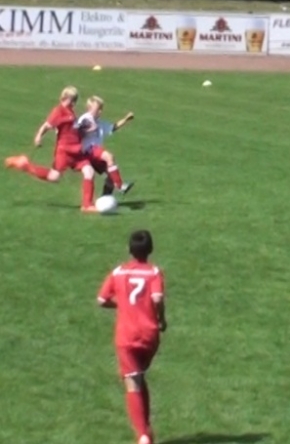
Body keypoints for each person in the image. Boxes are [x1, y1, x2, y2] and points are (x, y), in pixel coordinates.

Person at [97, 230, 166, 444]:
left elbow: (101, 300)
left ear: (129, 249)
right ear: (150, 249)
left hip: (126, 335)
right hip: (149, 334)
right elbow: (157, 297)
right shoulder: (154, 272)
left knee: (132, 382)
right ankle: (147, 428)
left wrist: (121, 304)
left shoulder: (118, 272)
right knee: (139, 376)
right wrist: (161, 318)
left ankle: (142, 436)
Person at [4, 86, 99, 212]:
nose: (74, 103)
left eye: (75, 100)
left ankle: (86, 205)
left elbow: (73, 131)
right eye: (72, 100)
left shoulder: (70, 111)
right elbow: (47, 125)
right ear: (64, 97)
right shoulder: (58, 111)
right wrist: (39, 136)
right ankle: (25, 165)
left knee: (89, 171)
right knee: (54, 177)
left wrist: (87, 131)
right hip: (64, 151)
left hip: (76, 150)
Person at [77, 96, 135, 196]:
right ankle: (120, 186)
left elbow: (113, 128)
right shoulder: (86, 118)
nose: (100, 111)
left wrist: (125, 119)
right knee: (109, 156)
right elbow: (80, 128)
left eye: (101, 109)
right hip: (88, 150)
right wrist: (87, 129)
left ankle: (104, 199)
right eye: (98, 109)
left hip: (95, 155)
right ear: (89, 108)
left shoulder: (100, 123)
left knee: (111, 177)